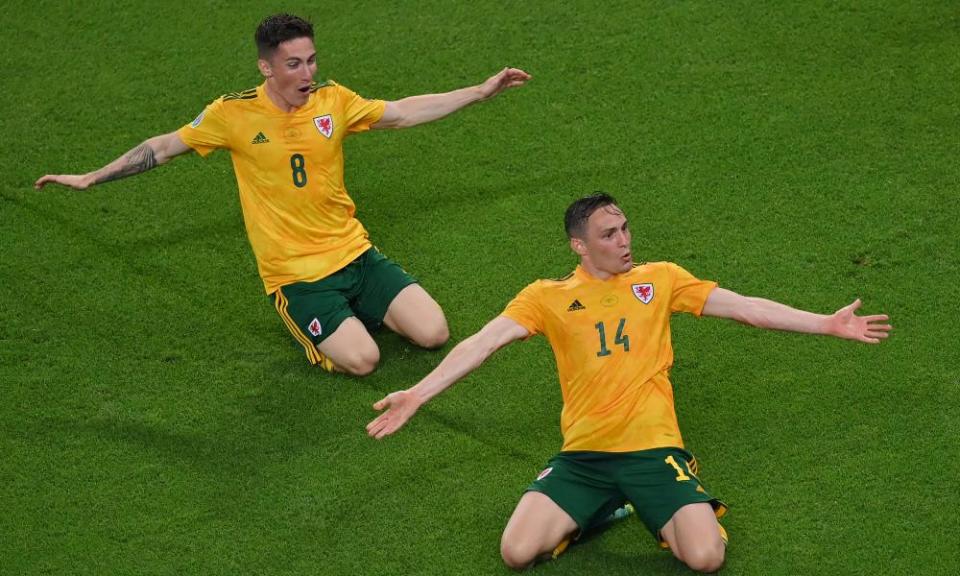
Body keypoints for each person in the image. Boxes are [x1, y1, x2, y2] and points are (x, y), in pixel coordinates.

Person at [366, 193, 892, 572]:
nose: (624, 241)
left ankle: (668, 501)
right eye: (608, 234)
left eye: (624, 229)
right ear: (579, 245)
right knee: (514, 552)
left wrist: (825, 322)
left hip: (653, 451)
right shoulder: (545, 297)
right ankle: (599, 510)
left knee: (706, 559)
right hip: (584, 457)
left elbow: (747, 309)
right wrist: (417, 393)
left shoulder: (659, 279)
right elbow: (479, 344)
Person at [34, 13, 531, 376]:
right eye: (294, 64)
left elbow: (401, 112)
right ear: (267, 68)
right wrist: (91, 177)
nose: (307, 74)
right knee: (364, 361)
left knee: (435, 333)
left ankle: (355, 311)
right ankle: (316, 329)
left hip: (354, 254)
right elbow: (164, 148)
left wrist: (480, 91)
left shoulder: (333, 101)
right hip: (296, 277)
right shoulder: (233, 114)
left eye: (311, 61)